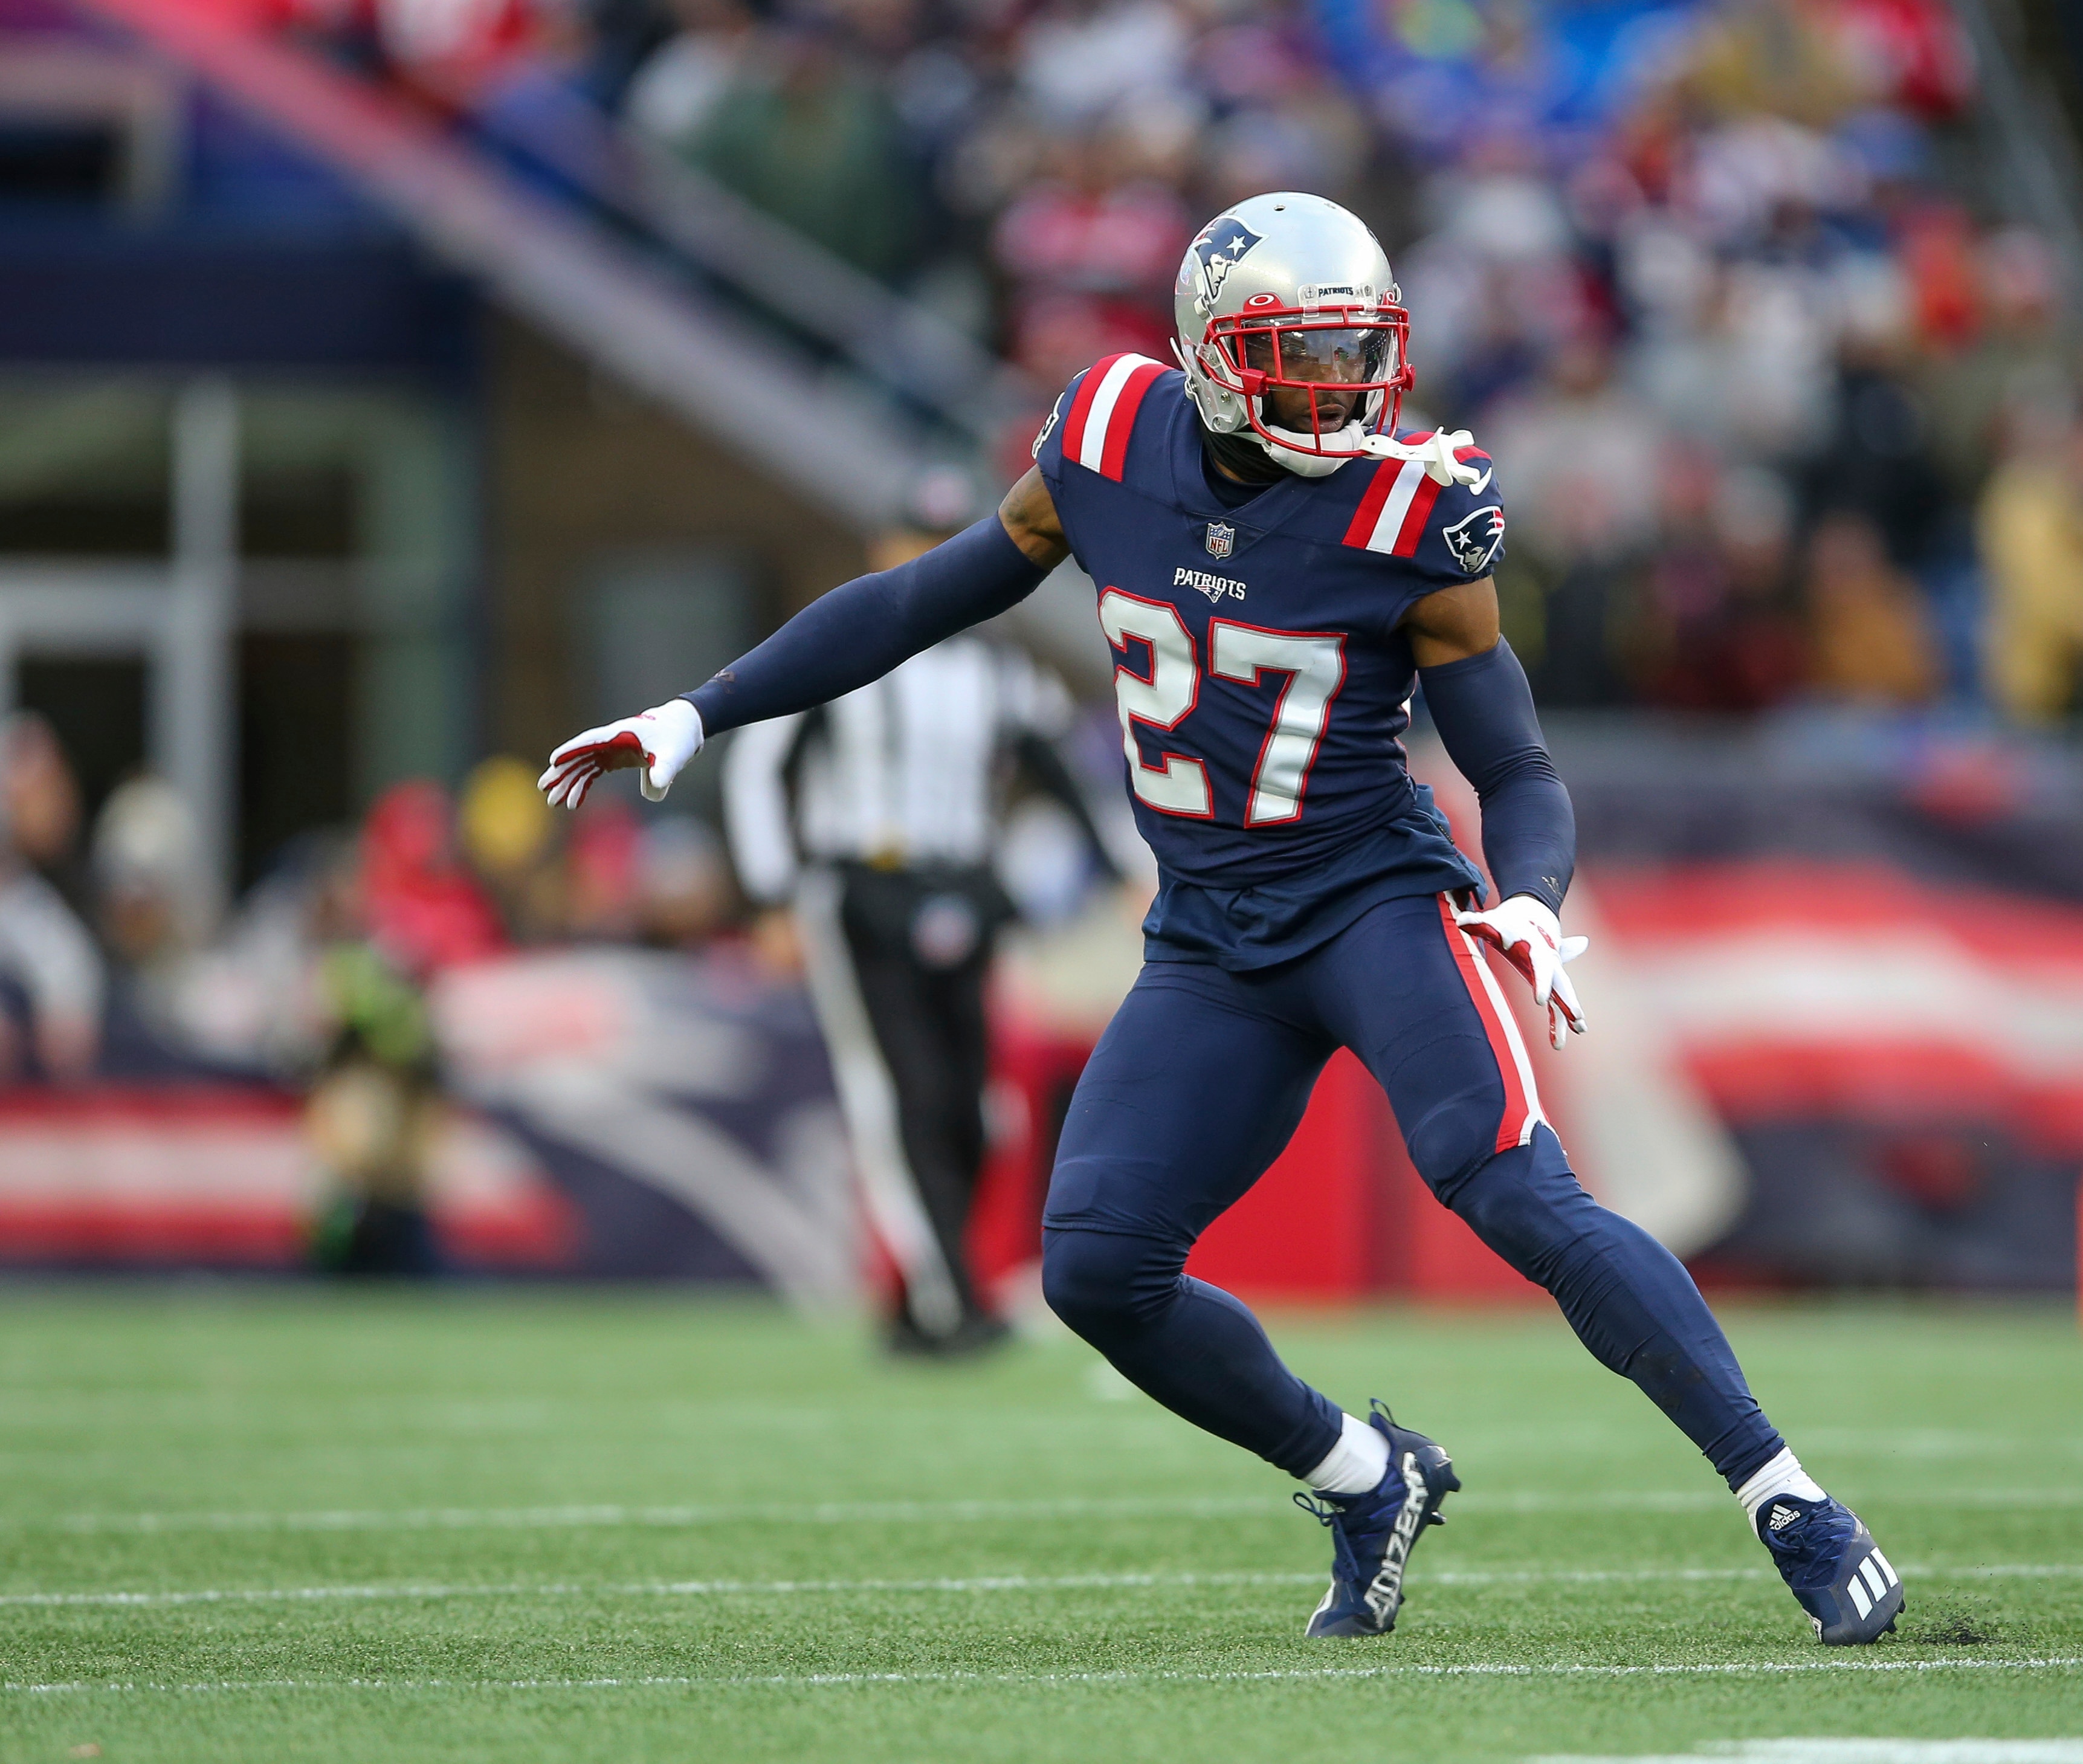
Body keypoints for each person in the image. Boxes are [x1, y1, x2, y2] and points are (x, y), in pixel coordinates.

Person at [538, 192, 1904, 1645]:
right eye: (1294, 356)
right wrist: (703, 709)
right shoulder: (1109, 436)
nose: (1336, 389)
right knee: (1095, 1267)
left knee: (1511, 1185)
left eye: (1352, 354)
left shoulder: (1413, 505)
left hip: (1372, 903)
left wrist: (1525, 896)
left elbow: (1508, 759)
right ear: (1202, 353)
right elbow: (930, 593)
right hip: (1207, 934)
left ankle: (1791, 1500)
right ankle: (1366, 1474)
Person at [721, 508, 1103, 1359]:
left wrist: (1115, 868)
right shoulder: (845, 645)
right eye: (913, 540)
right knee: (904, 1099)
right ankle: (950, 1298)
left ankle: (920, 1297)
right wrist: (774, 893)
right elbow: (757, 766)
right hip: (860, 888)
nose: (928, 558)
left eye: (944, 539)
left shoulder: (1000, 668)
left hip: (967, 886)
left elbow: (1056, 766)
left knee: (970, 1107)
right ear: (880, 547)